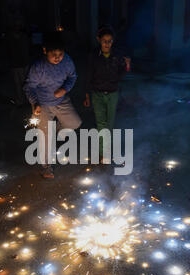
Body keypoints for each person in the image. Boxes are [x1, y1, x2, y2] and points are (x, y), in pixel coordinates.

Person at [23, 32, 82, 179]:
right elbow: (28, 87)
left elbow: (73, 76)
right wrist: (35, 103)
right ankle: (47, 167)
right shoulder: (38, 67)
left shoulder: (67, 61)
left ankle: (55, 128)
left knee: (75, 123)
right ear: (45, 51)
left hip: (61, 100)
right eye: (53, 54)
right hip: (42, 104)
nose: (57, 57)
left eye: (60, 54)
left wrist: (65, 89)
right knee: (45, 137)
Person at [84, 25, 131, 163]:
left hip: (112, 94)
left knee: (109, 123)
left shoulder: (116, 55)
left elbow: (120, 74)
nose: (107, 43)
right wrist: (86, 95)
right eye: (104, 40)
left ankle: (106, 150)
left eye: (109, 41)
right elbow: (88, 76)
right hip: (97, 93)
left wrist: (127, 66)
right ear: (99, 40)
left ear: (113, 41)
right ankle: (103, 153)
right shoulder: (93, 56)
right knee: (101, 123)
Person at [6, 17, 31, 107]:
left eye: (19, 25)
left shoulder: (24, 36)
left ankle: (27, 99)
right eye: (16, 25)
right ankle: (20, 100)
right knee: (18, 83)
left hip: (24, 62)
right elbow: (8, 50)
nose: (17, 27)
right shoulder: (10, 37)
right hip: (15, 64)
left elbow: (27, 48)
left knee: (26, 82)